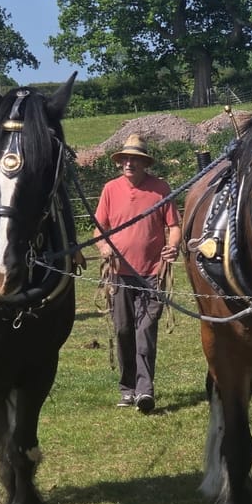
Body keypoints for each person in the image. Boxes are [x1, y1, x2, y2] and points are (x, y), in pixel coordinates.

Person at [95, 134, 182, 414]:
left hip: (152, 274)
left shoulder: (160, 189)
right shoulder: (110, 189)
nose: (129, 163)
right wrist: (103, 246)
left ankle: (145, 391)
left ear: (145, 163)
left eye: (135, 159)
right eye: (125, 159)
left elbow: (175, 225)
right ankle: (127, 389)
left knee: (145, 331)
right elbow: (100, 228)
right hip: (119, 274)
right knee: (123, 330)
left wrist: (172, 247)